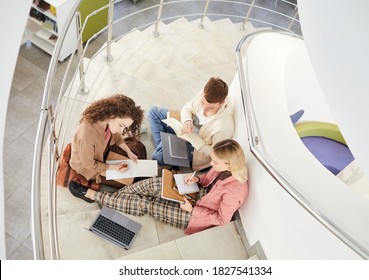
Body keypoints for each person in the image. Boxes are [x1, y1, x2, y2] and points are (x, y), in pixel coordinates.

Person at [68, 139, 249, 235]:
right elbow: (206, 180)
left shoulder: (236, 190)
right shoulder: (222, 168)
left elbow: (222, 220)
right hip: (197, 195)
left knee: (147, 204)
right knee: (156, 182)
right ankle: (113, 201)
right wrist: (197, 180)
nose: (211, 163)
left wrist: (192, 209)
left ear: (230, 164)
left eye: (215, 162)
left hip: (194, 216)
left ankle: (92, 194)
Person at [148, 77, 234, 171]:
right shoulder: (204, 94)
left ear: (221, 103)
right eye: (202, 103)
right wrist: (187, 120)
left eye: (210, 108)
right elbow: (187, 108)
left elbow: (215, 154)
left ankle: (165, 147)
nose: (204, 109)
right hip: (185, 129)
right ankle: (166, 148)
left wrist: (195, 141)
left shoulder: (223, 127)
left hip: (195, 149)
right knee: (153, 112)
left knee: (157, 157)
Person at [69, 94, 146, 190]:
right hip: (91, 168)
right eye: (121, 125)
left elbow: (116, 136)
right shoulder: (86, 136)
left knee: (138, 147)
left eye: (125, 127)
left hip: (104, 151)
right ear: (111, 115)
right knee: (132, 182)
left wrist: (128, 151)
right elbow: (89, 165)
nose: (122, 131)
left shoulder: (106, 120)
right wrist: (114, 167)